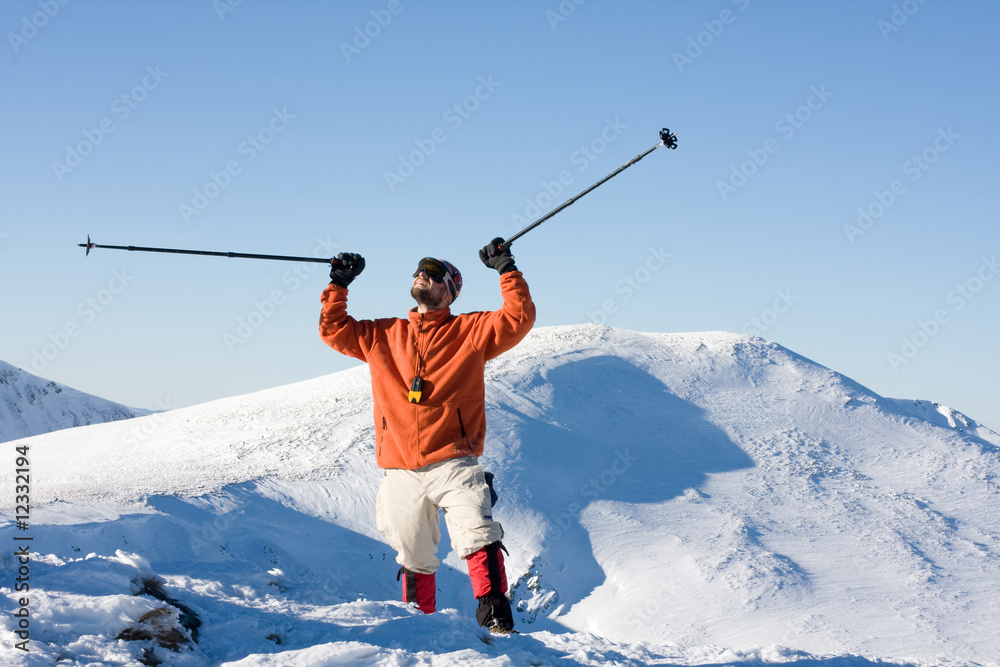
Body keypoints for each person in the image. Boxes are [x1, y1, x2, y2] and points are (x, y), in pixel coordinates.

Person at [318, 237, 536, 633]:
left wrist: (507, 269)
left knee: (477, 532)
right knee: (412, 551)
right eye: (421, 270)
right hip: (399, 467)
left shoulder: (470, 331)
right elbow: (333, 331)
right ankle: (420, 627)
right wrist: (339, 284)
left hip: (454, 460)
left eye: (434, 274)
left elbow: (518, 318)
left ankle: (497, 622)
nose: (423, 274)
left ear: (449, 291)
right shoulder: (382, 334)